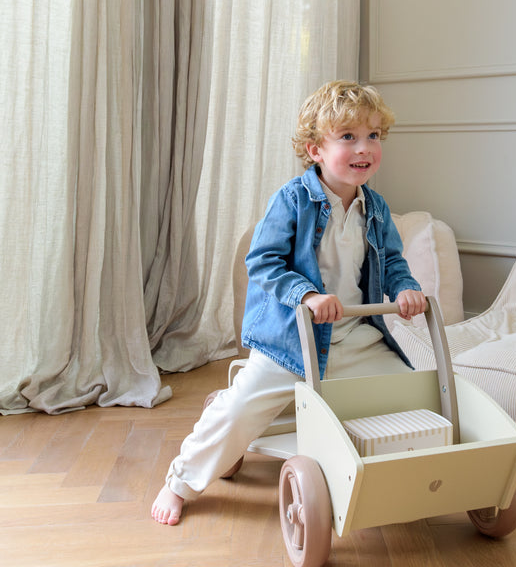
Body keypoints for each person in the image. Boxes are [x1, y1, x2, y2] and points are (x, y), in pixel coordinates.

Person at [151, 80, 426, 524]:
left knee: (410, 393)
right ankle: (180, 481)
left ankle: (409, 476)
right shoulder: (292, 200)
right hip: (292, 342)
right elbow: (262, 262)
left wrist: (405, 287)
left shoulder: (375, 208)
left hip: (355, 335)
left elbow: (392, 261)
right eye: (349, 136)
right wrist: (308, 295)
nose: (364, 147)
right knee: (239, 410)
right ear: (315, 149)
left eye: (373, 135)